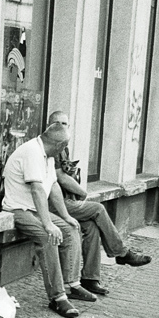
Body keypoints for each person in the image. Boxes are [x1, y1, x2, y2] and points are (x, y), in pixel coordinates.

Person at [47, 110, 151, 295]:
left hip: (65, 200)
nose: (61, 127)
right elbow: (59, 177)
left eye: (65, 124)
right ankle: (121, 253)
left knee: (92, 228)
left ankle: (90, 278)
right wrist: (82, 191)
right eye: (57, 123)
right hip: (52, 203)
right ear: (49, 126)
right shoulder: (50, 145)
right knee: (98, 209)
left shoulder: (63, 146)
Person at [2, 123, 90, 318]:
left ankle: (72, 284)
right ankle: (58, 298)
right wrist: (48, 224)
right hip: (19, 209)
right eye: (65, 147)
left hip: (34, 209)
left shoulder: (47, 156)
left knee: (70, 228)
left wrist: (66, 216)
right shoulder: (33, 151)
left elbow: (53, 187)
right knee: (47, 237)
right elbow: (37, 189)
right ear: (60, 145)